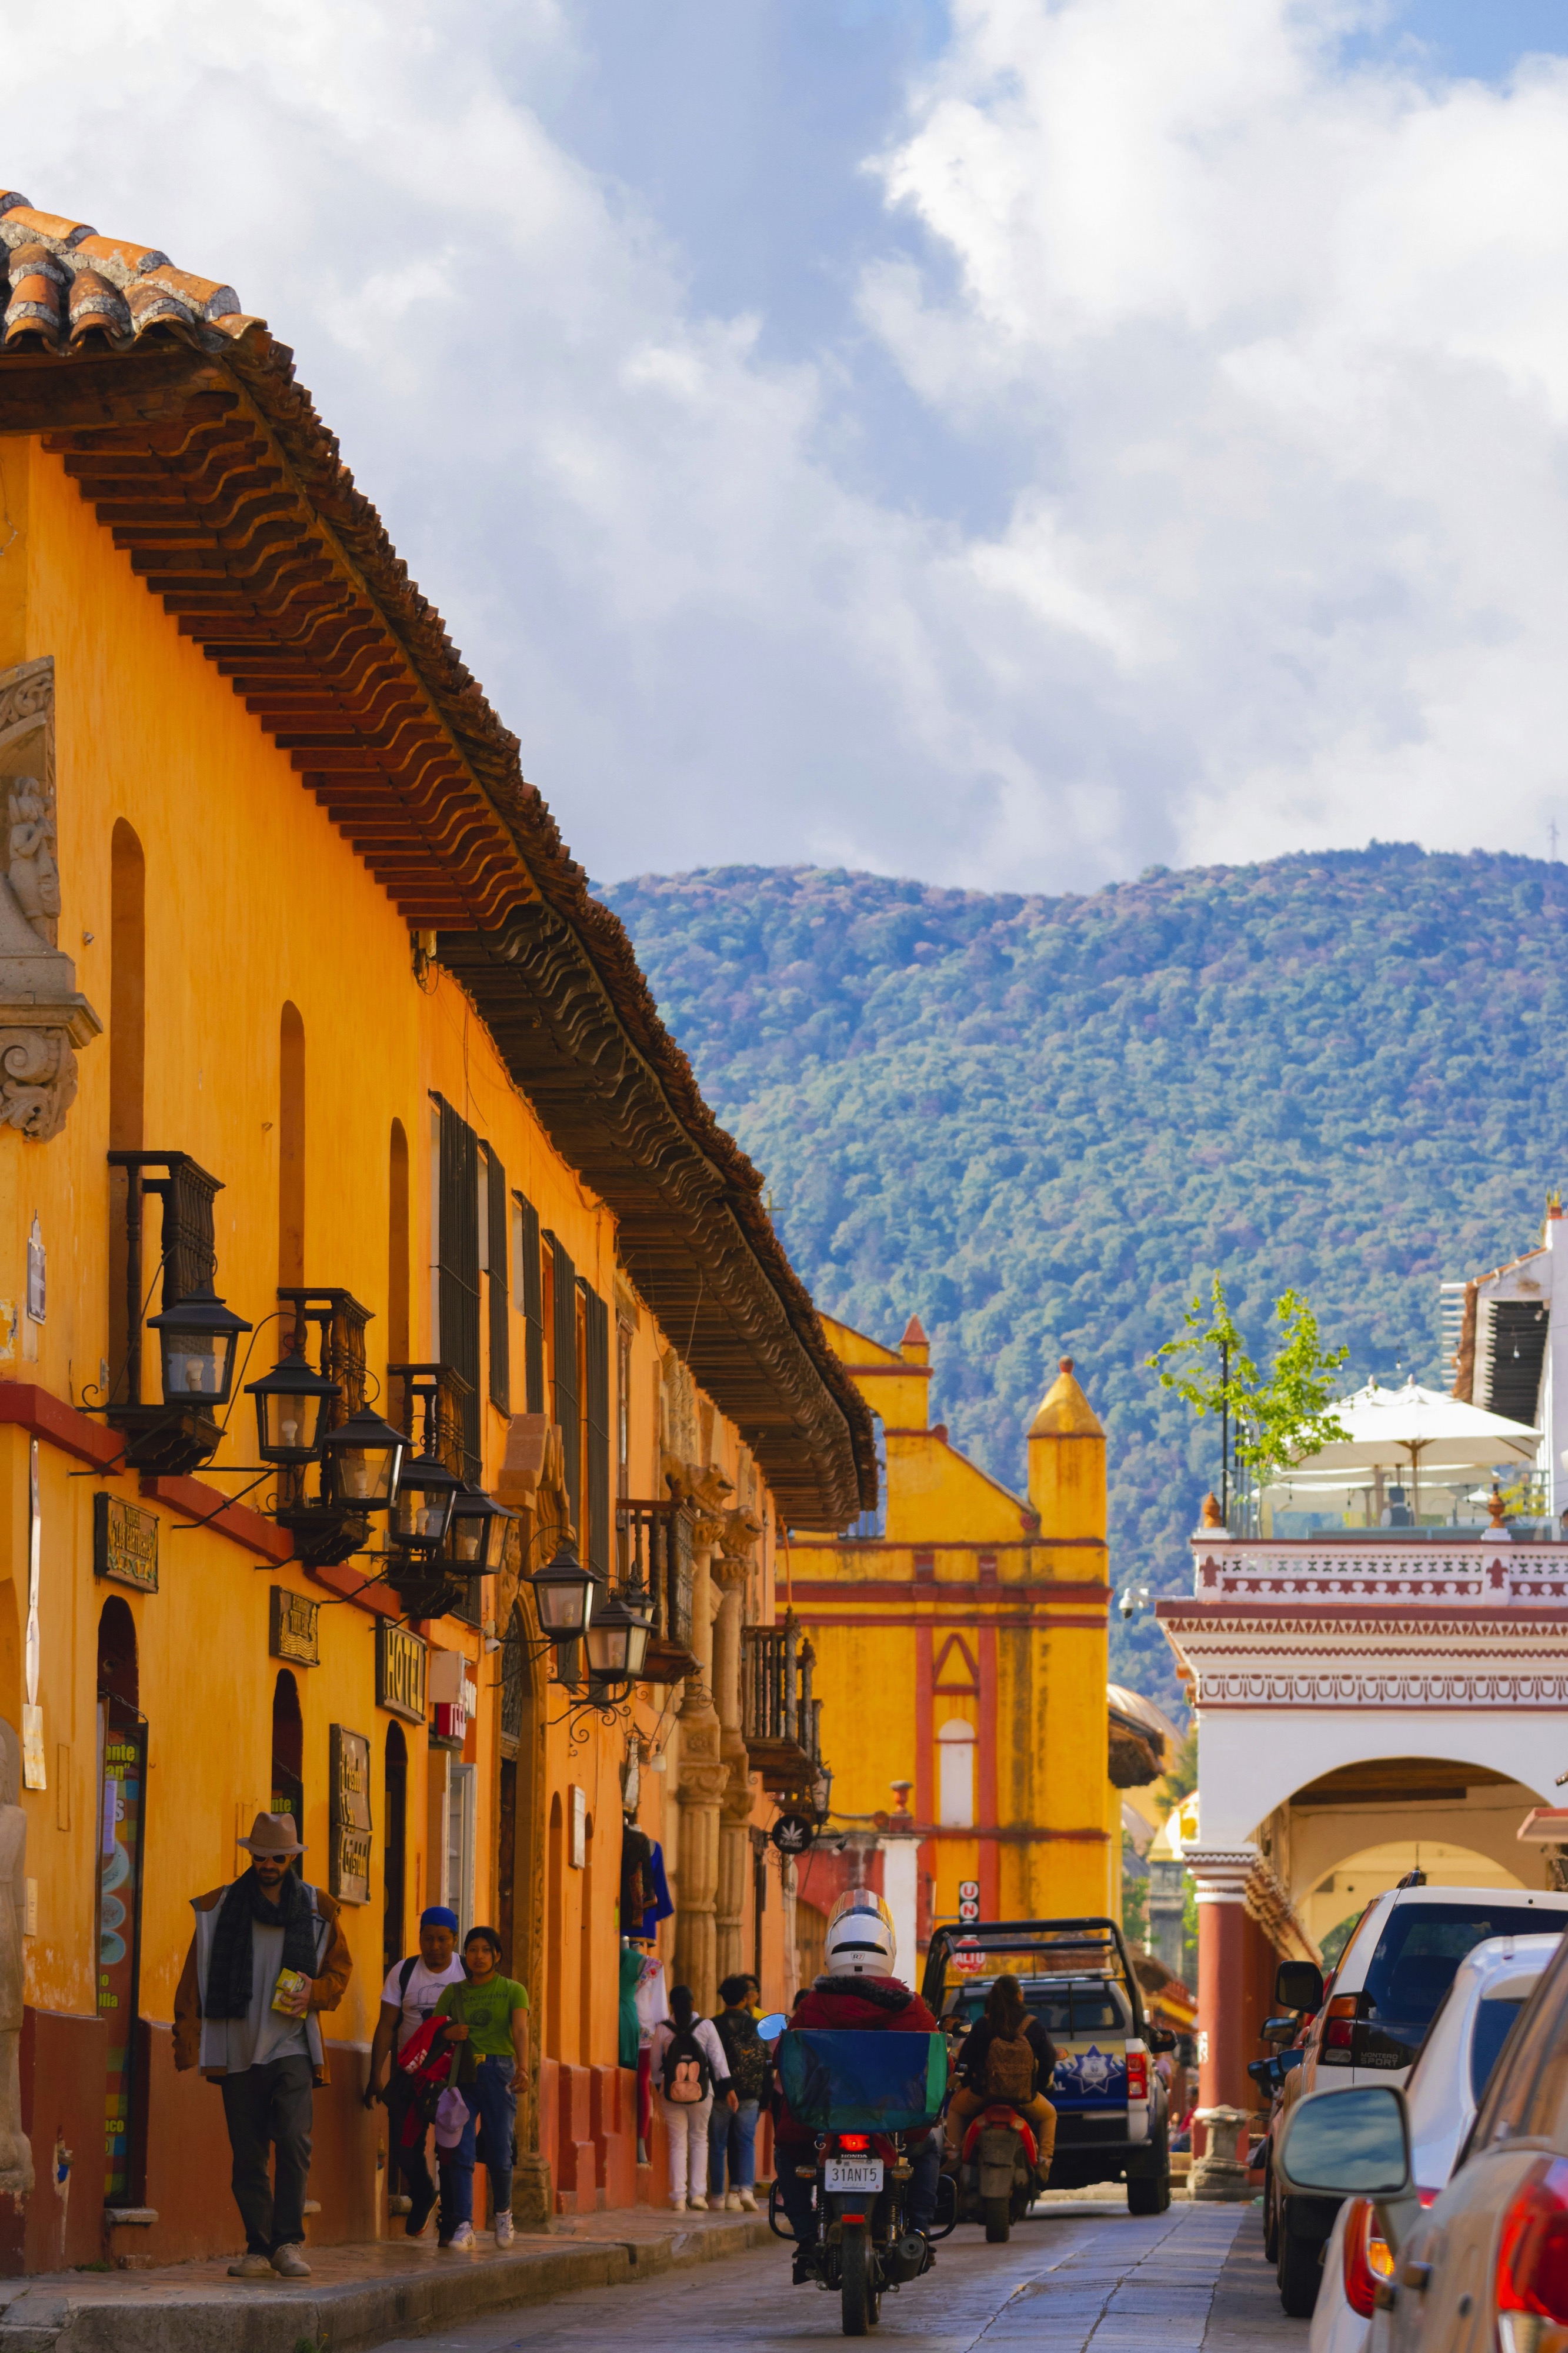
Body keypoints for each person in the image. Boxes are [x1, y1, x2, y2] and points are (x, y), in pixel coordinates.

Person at [173, 1811, 352, 2280]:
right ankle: (258, 2247)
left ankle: (287, 2242)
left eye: (277, 1858)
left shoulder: (317, 1908)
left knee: (293, 2140)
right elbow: (194, 1973)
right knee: (248, 2154)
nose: (267, 1865)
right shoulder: (220, 1907)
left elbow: (340, 1970)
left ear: (291, 1859)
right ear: (251, 1856)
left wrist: (316, 1992)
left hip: (292, 2044)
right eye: (260, 1857)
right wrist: (187, 2035)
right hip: (236, 2046)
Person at [775, 1891, 945, 2285]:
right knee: (929, 2149)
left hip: (826, 2115)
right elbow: (938, 2060)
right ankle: (920, 2231)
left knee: (787, 2152)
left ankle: (805, 2237)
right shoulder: (911, 2006)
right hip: (894, 2115)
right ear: (888, 1951)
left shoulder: (814, 2005)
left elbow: (787, 2057)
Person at [363, 1906, 468, 2238]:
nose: (435, 1946)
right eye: (428, 1939)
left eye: (442, 1939)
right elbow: (387, 2025)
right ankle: (424, 2194)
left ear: (454, 1939)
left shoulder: (466, 1972)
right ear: (420, 1937)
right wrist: (375, 2075)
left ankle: (451, 2223)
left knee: (450, 2151)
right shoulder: (404, 1971)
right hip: (411, 2076)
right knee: (405, 2149)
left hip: (453, 2078)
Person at [433, 1926, 530, 2249]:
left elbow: (520, 2029)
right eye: (472, 1950)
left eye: (486, 1950)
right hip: (462, 2075)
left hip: (500, 2073)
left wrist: (524, 2068)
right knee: (461, 2152)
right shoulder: (454, 1993)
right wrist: (448, 2033)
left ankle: (503, 2214)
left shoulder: (513, 1990)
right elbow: (433, 2029)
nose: (479, 1956)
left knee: (500, 2153)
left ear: (497, 1955)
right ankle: (464, 2224)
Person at [943, 1972, 1057, 2177]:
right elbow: (1049, 2059)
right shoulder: (1034, 2025)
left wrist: (967, 2084)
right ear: (1019, 1996)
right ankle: (1044, 2161)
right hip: (1024, 2097)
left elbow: (965, 2062)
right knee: (1050, 2115)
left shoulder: (983, 2024)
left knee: (955, 2109)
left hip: (984, 2094)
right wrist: (1037, 2087)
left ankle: (953, 2157)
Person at [650, 1985, 735, 2211]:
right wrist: (729, 2089)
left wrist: (660, 2089)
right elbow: (718, 2060)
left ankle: (678, 2197)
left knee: (677, 2142)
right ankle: (698, 2195)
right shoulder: (706, 2026)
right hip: (702, 2092)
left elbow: (655, 2066)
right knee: (699, 2139)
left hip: (672, 2093)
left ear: (671, 2005)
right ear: (693, 2003)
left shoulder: (663, 2029)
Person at [708, 1973, 768, 2211]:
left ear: (723, 1998)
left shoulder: (713, 2025)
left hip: (721, 2094)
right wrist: (765, 2098)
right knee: (746, 2143)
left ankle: (717, 2195)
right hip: (750, 2094)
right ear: (745, 1998)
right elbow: (767, 2062)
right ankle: (744, 2190)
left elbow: (709, 2060)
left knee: (717, 2145)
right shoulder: (757, 2026)